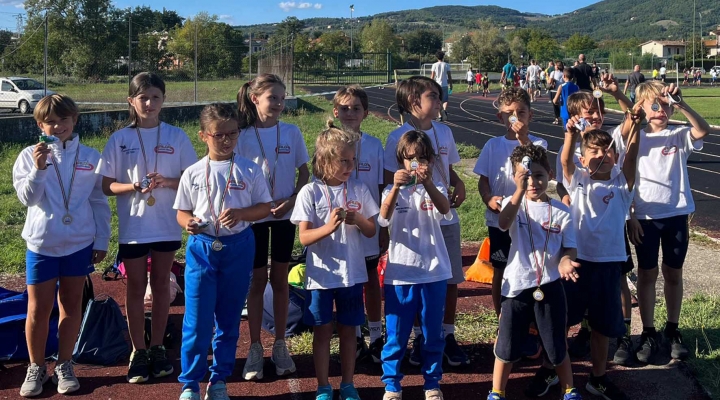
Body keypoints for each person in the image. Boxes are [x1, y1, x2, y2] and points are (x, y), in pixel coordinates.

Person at [99, 72, 198, 384]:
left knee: (161, 287)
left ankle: (157, 347)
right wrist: (131, 186)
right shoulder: (120, 139)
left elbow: (193, 179)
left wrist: (166, 182)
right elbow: (105, 185)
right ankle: (137, 350)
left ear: (163, 100)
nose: (150, 103)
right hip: (134, 227)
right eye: (143, 97)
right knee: (135, 286)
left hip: (167, 225)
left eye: (156, 97)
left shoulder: (177, 136)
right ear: (131, 101)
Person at [14, 95, 110, 397]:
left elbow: (98, 200)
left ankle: (65, 364)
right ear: (40, 125)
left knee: (71, 306)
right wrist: (39, 168)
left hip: (79, 244)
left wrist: (102, 239)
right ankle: (36, 366)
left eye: (64, 119)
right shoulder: (28, 155)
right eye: (50, 121)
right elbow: (27, 198)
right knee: (37, 310)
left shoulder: (91, 156)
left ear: (75, 120)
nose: (58, 126)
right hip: (42, 244)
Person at [174, 104, 272, 400]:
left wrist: (242, 213)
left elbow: (264, 207)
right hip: (203, 249)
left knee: (228, 319)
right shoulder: (192, 173)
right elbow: (182, 212)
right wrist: (188, 223)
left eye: (233, 133)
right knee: (197, 319)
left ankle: (218, 380)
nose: (227, 140)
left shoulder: (250, 169)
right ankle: (190, 383)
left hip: (238, 247)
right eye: (220, 135)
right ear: (204, 135)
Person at [384, 76, 469, 369]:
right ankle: (421, 336)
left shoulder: (444, 131)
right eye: (432, 96)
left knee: (451, 278)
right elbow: (389, 178)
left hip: (444, 214)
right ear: (413, 102)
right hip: (415, 219)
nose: (439, 101)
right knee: (419, 279)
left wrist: (458, 184)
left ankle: (447, 334)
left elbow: (450, 170)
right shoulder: (398, 137)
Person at [560, 104, 643, 400]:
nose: (601, 156)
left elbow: (632, 155)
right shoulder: (578, 179)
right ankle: (553, 372)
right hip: (577, 263)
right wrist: (570, 135)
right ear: (584, 159)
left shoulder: (622, 184)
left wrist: (637, 126)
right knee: (562, 322)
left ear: (615, 157)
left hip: (608, 264)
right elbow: (566, 161)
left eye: (607, 151)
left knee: (601, 328)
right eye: (593, 152)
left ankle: (597, 377)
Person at [486, 144, 581, 400]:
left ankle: (569, 390)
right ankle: (497, 391)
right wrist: (517, 191)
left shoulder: (562, 212)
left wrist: (564, 261)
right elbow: (503, 223)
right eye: (525, 177)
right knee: (505, 344)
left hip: (549, 286)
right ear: (515, 177)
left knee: (556, 345)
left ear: (549, 174)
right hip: (516, 286)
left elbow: (570, 248)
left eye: (538, 175)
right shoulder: (512, 203)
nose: (532, 182)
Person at [291, 121, 379, 400]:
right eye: (343, 160)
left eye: (352, 160)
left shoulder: (359, 189)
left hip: (352, 273)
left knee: (349, 330)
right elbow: (304, 238)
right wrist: (329, 227)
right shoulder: (310, 192)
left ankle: (348, 383)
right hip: (321, 277)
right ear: (325, 160)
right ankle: (323, 386)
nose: (349, 166)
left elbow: (371, 230)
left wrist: (360, 219)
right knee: (322, 331)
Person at [626, 81, 711, 364]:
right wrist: (631, 215)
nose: (659, 110)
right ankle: (649, 331)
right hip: (646, 220)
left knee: (673, 274)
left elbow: (703, 130)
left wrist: (681, 104)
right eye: (653, 104)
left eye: (663, 104)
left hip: (675, 216)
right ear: (642, 108)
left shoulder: (678, 136)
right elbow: (625, 180)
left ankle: (672, 329)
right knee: (647, 275)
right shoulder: (636, 138)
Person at [235, 73, 310, 380]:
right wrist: (256, 208)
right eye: (272, 98)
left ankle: (280, 344)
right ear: (255, 99)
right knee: (255, 283)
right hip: (253, 219)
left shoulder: (291, 132)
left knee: (280, 281)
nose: (279, 103)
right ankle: (255, 347)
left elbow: (305, 172)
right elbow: (234, 177)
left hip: (283, 217)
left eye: (282, 98)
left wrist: (293, 200)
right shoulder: (240, 135)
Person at [379, 130, 453, 400]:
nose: (417, 165)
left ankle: (432, 383)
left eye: (422, 159)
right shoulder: (392, 190)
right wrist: (397, 187)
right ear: (401, 161)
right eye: (411, 159)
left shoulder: (436, 187)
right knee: (396, 334)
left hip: (434, 271)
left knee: (433, 332)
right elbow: (383, 219)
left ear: (430, 161)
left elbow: (445, 210)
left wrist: (429, 184)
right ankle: (392, 385)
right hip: (401, 273)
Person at [475, 87, 548, 316]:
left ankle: (531, 319)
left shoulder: (538, 143)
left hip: (530, 218)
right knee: (500, 269)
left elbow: (543, 167)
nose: (515, 118)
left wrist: (523, 138)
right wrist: (488, 198)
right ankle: (502, 319)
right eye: (509, 113)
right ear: (501, 117)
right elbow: (483, 180)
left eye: (521, 112)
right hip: (499, 220)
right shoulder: (492, 145)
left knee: (531, 268)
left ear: (530, 115)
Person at [332, 85, 386, 363]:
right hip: (338, 226)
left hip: (366, 224)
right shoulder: (327, 143)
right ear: (335, 111)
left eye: (355, 108)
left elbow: (382, 187)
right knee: (345, 281)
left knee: (369, 279)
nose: (350, 113)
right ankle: (351, 334)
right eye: (344, 108)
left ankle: (376, 336)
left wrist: (383, 227)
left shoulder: (375, 145)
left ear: (365, 112)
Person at [430, 51, 452, 122]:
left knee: (438, 100)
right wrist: (451, 84)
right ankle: (444, 110)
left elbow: (432, 76)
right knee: (445, 100)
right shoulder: (446, 65)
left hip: (437, 84)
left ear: (437, 57)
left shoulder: (434, 65)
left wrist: (430, 84)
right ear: (443, 57)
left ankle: (439, 115)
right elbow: (449, 76)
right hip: (445, 84)